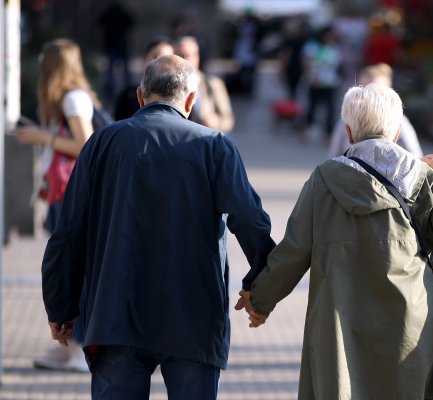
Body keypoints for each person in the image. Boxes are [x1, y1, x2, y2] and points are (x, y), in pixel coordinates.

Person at [41, 55, 275, 398]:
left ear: (140, 96)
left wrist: (61, 305)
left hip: (114, 311)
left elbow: (69, 230)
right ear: (191, 101)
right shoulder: (214, 146)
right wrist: (262, 288)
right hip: (193, 315)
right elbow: (251, 220)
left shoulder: (102, 144)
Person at [236, 83, 433, 399]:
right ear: (395, 133)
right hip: (411, 323)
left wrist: (260, 300)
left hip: (338, 322)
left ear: (349, 132)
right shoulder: (423, 178)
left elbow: (294, 251)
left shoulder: (323, 179)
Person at [16, 38, 100, 373]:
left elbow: (85, 144)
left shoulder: (72, 99)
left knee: (71, 271)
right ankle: (71, 345)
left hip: (71, 197)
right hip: (62, 194)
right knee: (68, 269)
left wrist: (42, 137)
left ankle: (80, 346)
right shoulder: (71, 98)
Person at [328, 63, 423, 158]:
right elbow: (333, 156)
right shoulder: (346, 119)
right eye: (364, 88)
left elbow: (416, 155)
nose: (370, 96)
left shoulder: (399, 121)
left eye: (377, 91)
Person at [175, 36, 235, 133]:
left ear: (197, 56)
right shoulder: (169, 83)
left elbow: (228, 119)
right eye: (181, 55)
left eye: (188, 55)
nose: (185, 60)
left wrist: (215, 122)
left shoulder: (213, 84)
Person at [113, 36, 174, 121]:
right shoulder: (128, 97)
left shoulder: (181, 97)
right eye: (155, 57)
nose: (160, 64)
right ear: (145, 60)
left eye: (167, 59)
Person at [302, 26, 342, 139]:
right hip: (315, 82)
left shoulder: (334, 47)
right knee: (312, 106)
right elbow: (305, 62)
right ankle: (307, 128)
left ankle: (328, 132)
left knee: (330, 107)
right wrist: (311, 76)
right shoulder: (313, 46)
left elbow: (338, 64)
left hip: (330, 82)